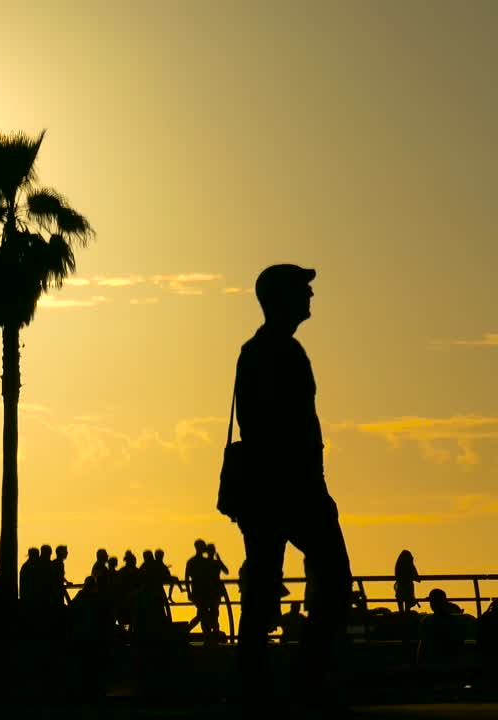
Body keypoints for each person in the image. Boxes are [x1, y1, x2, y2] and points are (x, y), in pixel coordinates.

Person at [232, 264, 352, 706]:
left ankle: (268, 686)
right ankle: (296, 683)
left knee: (266, 591)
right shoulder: (274, 352)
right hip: (288, 489)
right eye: (303, 290)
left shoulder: (268, 350)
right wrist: (309, 486)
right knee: (326, 583)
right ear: (281, 297)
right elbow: (276, 427)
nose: (310, 296)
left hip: (278, 490)